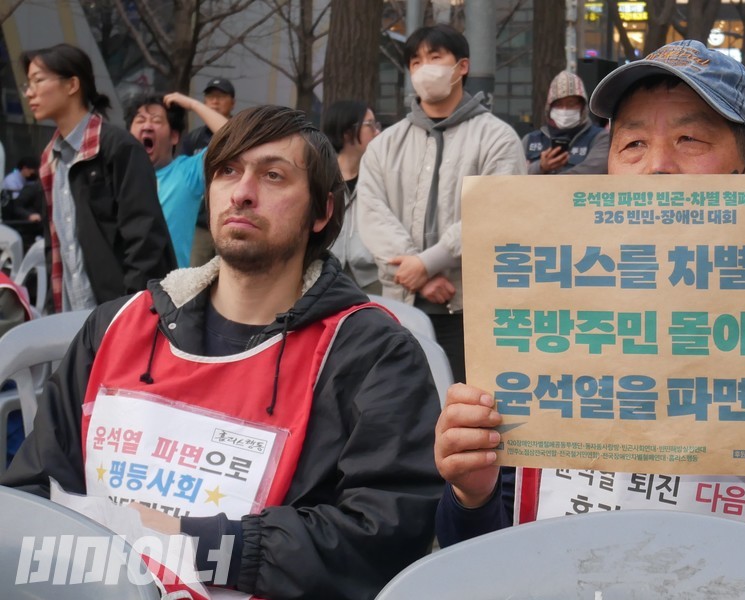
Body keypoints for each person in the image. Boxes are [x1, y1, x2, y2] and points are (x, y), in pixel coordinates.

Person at [433, 40, 745, 589]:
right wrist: (471, 493)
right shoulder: (542, 326)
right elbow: (481, 560)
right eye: (633, 144)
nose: (657, 168)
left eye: (690, 139)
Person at [1, 105, 443, 599]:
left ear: (321, 213)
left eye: (273, 176)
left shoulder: (373, 354)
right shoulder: (115, 327)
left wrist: (193, 543)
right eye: (227, 171)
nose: (242, 192)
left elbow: (384, 535)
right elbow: (31, 492)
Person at [358, 24, 526, 383]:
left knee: (466, 402)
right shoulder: (385, 144)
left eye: (435, 58)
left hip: (470, 310)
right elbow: (371, 212)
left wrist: (428, 262)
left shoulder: (497, 138)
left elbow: (497, 211)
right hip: (399, 306)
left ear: (462, 66)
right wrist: (418, 275)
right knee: (399, 401)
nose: (424, 69)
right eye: (416, 62)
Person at [20, 43, 175, 312]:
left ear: (72, 85)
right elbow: (54, 247)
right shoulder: (49, 161)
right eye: (28, 84)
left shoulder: (118, 147)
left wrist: (127, 311)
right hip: (71, 316)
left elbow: (145, 238)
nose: (29, 92)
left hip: (119, 314)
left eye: (38, 80)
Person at [127, 92, 227, 267]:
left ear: (174, 136)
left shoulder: (187, 172)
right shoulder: (117, 174)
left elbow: (234, 137)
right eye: (140, 120)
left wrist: (193, 105)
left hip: (169, 282)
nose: (147, 126)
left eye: (156, 120)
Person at [321, 100, 382, 294]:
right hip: (325, 277)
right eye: (370, 125)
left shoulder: (379, 176)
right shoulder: (320, 176)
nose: (377, 132)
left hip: (373, 279)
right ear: (347, 132)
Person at [179, 78, 236, 268]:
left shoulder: (242, 134)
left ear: (233, 102)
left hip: (231, 221)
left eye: (221, 96)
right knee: (194, 275)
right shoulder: (193, 138)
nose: (215, 101)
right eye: (210, 97)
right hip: (200, 223)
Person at [522, 70, 609, 175]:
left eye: (571, 104)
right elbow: (515, 174)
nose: (564, 109)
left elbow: (595, 169)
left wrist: (551, 180)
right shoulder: (530, 140)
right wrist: (541, 167)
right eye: (558, 104)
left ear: (582, 107)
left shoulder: (601, 138)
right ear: (549, 107)